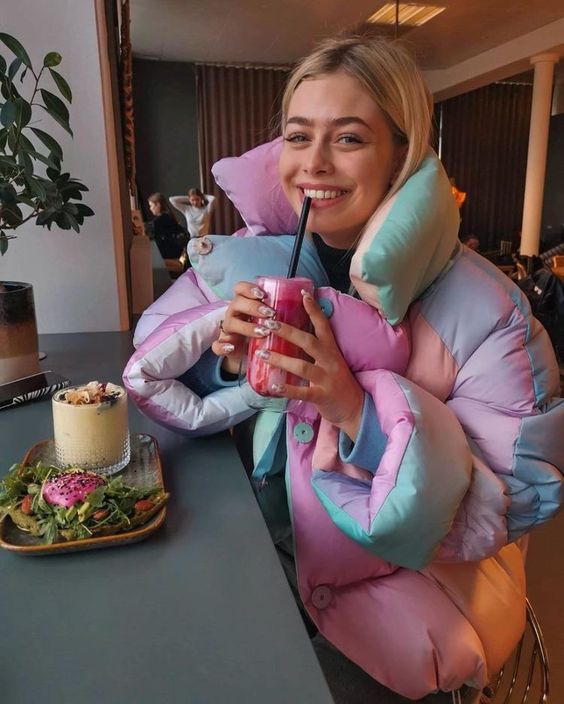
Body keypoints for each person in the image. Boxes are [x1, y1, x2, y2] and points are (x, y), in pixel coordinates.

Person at [124, 36, 563, 703]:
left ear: (401, 155)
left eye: (349, 138)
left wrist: (355, 410)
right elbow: (166, 376)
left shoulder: (488, 311)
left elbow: (512, 501)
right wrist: (228, 364)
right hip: (256, 563)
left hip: (410, 615)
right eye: (298, 136)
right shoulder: (250, 257)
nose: (313, 163)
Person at [147, 192, 187, 260]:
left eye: (151, 205)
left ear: (158, 205)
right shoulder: (169, 216)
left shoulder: (159, 221)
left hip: (167, 254)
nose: (150, 209)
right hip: (176, 253)